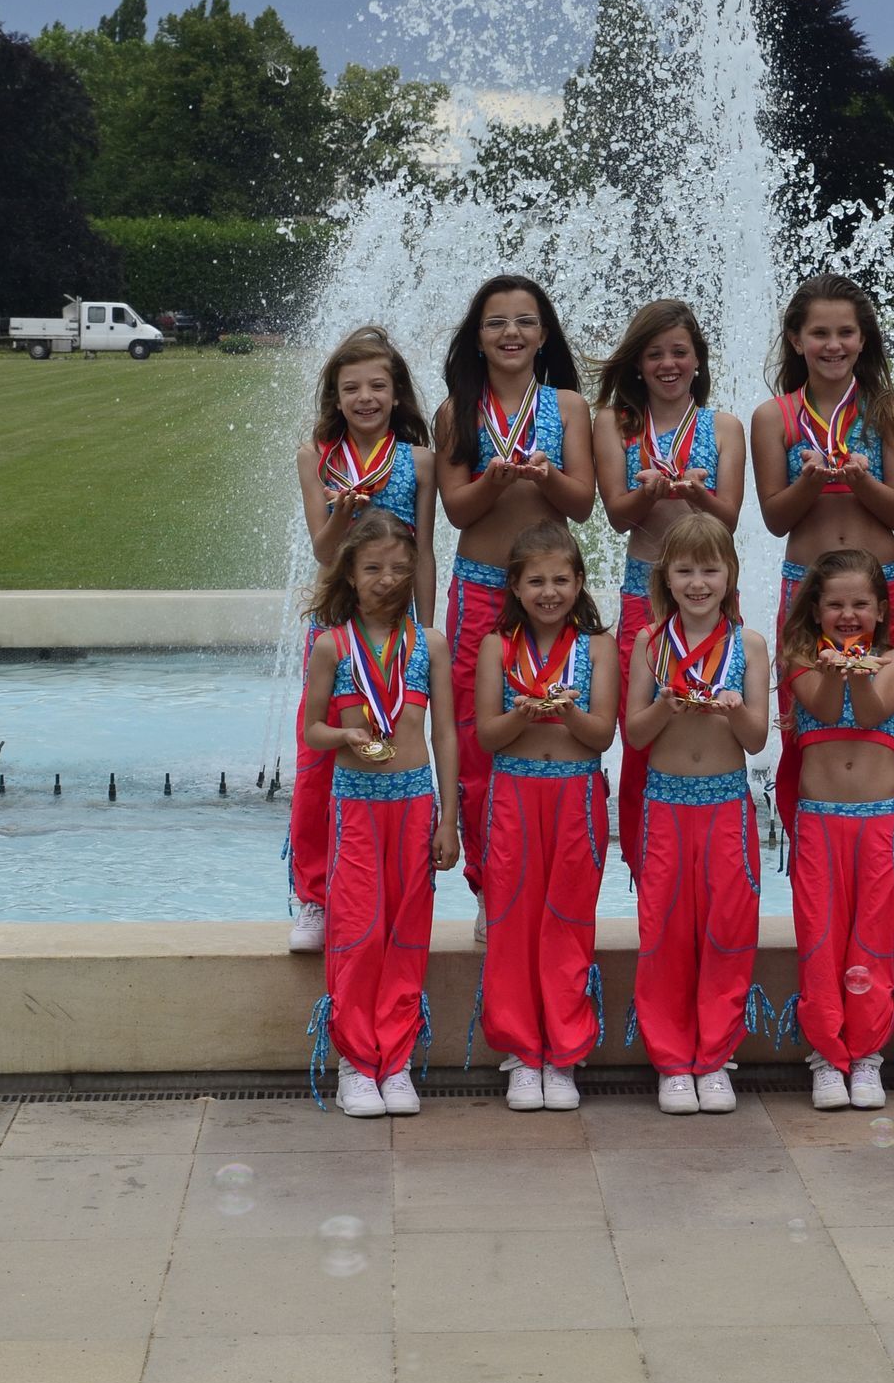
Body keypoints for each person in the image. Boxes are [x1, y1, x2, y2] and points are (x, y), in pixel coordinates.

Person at [435, 277, 594, 930]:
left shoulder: (568, 406)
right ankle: (488, 885)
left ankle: (549, 880)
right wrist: (494, 480)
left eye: (525, 321)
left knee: (552, 725)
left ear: (543, 334)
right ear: (477, 337)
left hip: (550, 594)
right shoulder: (457, 411)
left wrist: (546, 474)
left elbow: (582, 504)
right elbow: (456, 509)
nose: (511, 333)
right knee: (479, 738)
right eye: (497, 322)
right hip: (481, 589)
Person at [301, 508, 457, 1117]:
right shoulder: (331, 645)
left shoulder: (430, 645)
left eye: (397, 568)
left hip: (415, 803)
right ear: (350, 573)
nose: (386, 579)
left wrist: (449, 818)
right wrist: (344, 737)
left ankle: (396, 1059)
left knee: (406, 933)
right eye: (372, 568)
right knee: (359, 931)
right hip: (357, 805)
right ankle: (355, 1062)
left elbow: (445, 734)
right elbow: (313, 731)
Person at [287, 326, 436, 956]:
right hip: (337, 629)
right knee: (317, 759)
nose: (366, 398)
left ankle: (383, 885)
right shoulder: (316, 457)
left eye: (378, 385)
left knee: (394, 747)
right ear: (336, 396)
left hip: (399, 635)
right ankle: (314, 896)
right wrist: (344, 509)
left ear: (397, 393)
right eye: (352, 388)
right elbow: (324, 551)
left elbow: (424, 551)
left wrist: (426, 631)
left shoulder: (418, 460)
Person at [751, 275, 894, 834]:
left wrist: (861, 481)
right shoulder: (774, 416)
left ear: (863, 339)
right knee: (804, 722)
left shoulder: (888, 409)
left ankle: (886, 845)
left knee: (887, 717)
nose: (833, 344)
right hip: (808, 588)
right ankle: (811, 849)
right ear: (796, 340)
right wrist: (810, 482)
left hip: (878, 586)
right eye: (819, 333)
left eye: (846, 332)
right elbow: (776, 518)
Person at [622, 514, 771, 1112]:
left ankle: (714, 1057)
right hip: (665, 803)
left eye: (710, 569)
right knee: (664, 931)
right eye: (685, 570)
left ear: (730, 573)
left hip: (725, 805)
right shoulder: (650, 643)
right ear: (666, 577)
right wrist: (663, 705)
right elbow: (634, 735)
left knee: (727, 930)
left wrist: (734, 710)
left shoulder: (749, 645)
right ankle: (672, 1061)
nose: (698, 583)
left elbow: (757, 740)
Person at [594, 299, 745, 879]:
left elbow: (728, 518)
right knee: (643, 729)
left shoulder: (723, 426)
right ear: (637, 363)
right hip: (645, 593)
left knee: (709, 716)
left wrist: (696, 493)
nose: (668, 364)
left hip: (711, 593)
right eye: (655, 353)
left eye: (679, 352)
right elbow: (617, 515)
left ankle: (709, 860)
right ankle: (646, 864)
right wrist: (651, 491)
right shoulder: (615, 424)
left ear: (698, 360)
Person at [473, 520, 618, 1110]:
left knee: (568, 921)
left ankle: (564, 1051)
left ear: (579, 582)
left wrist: (566, 711)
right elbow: (487, 736)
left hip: (576, 795)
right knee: (513, 920)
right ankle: (520, 1052)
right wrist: (524, 714)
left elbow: (602, 735)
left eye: (561, 580)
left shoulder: (598, 647)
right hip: (514, 792)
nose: (549, 592)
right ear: (515, 586)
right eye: (536, 581)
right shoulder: (496, 646)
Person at [775, 549, 894, 1111]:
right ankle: (827, 1054)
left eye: (860, 604)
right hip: (821, 822)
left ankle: (866, 1053)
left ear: (880, 610)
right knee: (821, 938)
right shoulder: (801, 660)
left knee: (874, 939)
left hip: (879, 822)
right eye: (835, 604)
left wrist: (859, 672)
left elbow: (874, 712)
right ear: (816, 610)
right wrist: (836, 671)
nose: (848, 615)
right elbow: (828, 710)